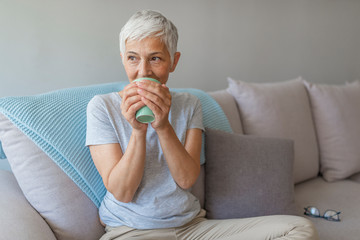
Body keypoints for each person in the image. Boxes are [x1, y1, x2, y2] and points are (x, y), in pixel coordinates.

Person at [86, 9, 319, 240]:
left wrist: (163, 126)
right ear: (123, 59)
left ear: (173, 61)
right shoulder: (102, 107)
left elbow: (186, 179)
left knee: (299, 228)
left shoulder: (190, 104)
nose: (143, 71)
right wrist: (138, 131)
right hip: (131, 231)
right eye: (133, 58)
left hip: (192, 228)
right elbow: (123, 192)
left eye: (155, 58)